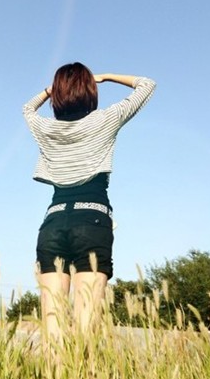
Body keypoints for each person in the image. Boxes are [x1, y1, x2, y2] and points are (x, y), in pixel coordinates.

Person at [23, 62, 156, 343]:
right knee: (86, 328)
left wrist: (51, 90)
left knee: (53, 329)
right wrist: (106, 77)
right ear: (91, 91)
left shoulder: (46, 129)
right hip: (92, 221)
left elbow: (27, 109)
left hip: (53, 223)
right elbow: (147, 84)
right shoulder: (105, 119)